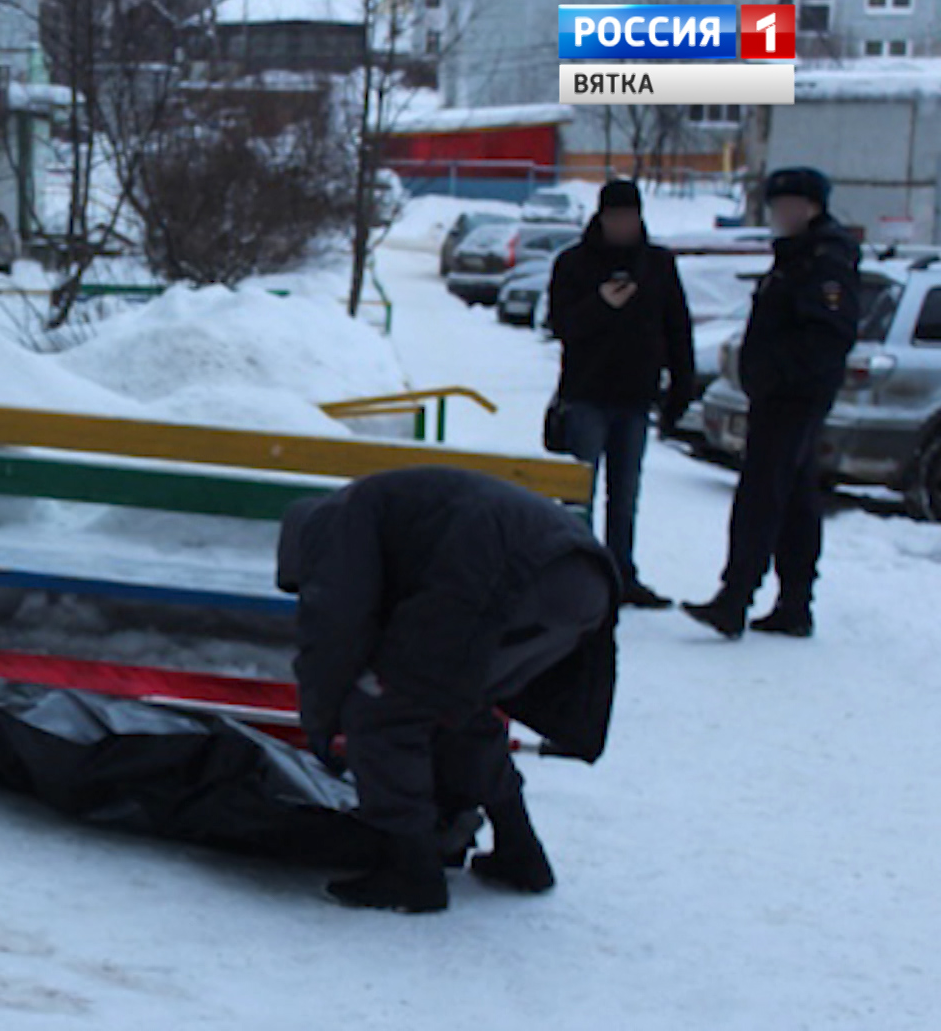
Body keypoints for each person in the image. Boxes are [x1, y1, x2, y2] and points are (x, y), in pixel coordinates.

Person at [276, 467, 620, 913]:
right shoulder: (377, 507)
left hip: (507, 574)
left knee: (382, 709)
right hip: (584, 578)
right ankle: (521, 850)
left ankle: (413, 874)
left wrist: (321, 724)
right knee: (455, 708)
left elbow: (335, 629)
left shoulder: (333, 526)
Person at [684, 168, 861, 640]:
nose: (778, 215)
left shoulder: (823, 261)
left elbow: (829, 335)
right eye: (774, 206)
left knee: (760, 495)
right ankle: (794, 603)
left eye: (787, 206)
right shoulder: (800, 256)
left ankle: (735, 597)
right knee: (798, 499)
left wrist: (775, 371)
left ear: (812, 207)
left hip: (792, 398)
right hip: (783, 395)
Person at [547, 179, 697, 609]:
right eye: (615, 217)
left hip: (635, 396)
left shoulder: (657, 265)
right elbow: (561, 325)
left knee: (625, 493)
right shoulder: (574, 264)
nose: (622, 226)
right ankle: (574, 574)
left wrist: (680, 388)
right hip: (586, 394)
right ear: (601, 217)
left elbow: (677, 327)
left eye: (629, 217)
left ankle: (620, 572)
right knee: (579, 490)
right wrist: (600, 305)